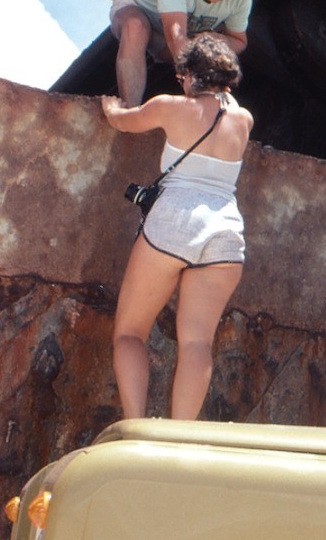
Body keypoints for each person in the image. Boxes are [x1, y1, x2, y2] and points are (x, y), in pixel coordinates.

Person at [101, 33, 254, 422]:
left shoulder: (170, 107)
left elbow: (123, 122)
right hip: (225, 231)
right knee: (197, 342)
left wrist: (110, 106)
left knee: (130, 333)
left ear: (186, 75)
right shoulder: (243, 119)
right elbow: (223, 105)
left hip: (175, 221)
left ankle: (136, 425)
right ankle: (179, 435)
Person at [108, 0, 262, 106]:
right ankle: (129, 111)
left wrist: (210, 40)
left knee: (207, 44)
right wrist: (197, 90)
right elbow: (176, 37)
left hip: (173, 41)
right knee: (136, 27)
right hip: (139, 14)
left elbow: (239, 42)